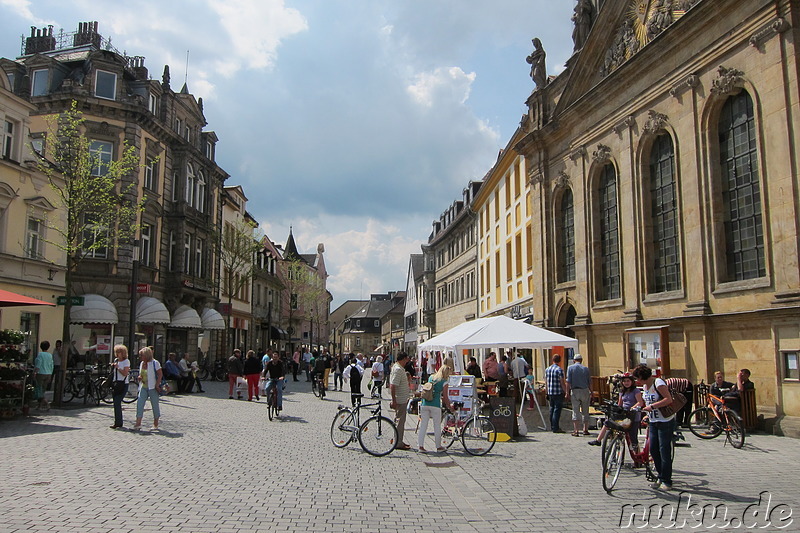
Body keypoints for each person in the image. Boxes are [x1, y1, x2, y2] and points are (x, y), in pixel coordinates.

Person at [633, 363, 675, 490]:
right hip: (653, 421)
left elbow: (669, 399)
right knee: (653, 449)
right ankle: (660, 476)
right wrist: (646, 413)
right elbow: (647, 401)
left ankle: (667, 480)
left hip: (665, 421)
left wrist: (652, 407)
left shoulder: (658, 383)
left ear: (643, 376)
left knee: (664, 450)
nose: (637, 381)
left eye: (638, 378)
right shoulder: (645, 386)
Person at [588, 373, 643, 446]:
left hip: (633, 416)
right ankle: (598, 440)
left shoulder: (636, 391)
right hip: (624, 414)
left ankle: (636, 452)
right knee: (608, 422)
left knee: (633, 438)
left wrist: (632, 408)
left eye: (628, 381)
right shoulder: (622, 391)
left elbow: (640, 402)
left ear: (632, 382)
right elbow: (620, 404)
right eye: (624, 381)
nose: (626, 383)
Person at [418, 358, 454, 453]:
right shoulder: (444, 382)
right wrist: (450, 406)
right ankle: (438, 447)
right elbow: (445, 397)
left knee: (423, 426)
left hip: (425, 403)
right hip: (435, 405)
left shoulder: (431, 377)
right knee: (437, 426)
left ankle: (420, 446)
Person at [134, 347, 162, 431]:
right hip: (143, 386)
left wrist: (157, 384)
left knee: (154, 405)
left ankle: (155, 423)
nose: (140, 357)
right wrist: (139, 377)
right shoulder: (142, 363)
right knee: (140, 403)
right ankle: (138, 423)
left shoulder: (155, 363)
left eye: (141, 355)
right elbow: (141, 374)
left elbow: (160, 374)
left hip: (152, 387)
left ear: (146, 355)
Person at [389, 352, 413, 450]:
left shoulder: (398, 367)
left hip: (401, 398)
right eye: (406, 359)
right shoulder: (398, 369)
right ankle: (398, 442)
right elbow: (393, 385)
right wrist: (394, 400)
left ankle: (398, 440)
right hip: (400, 399)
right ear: (402, 359)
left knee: (399, 421)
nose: (407, 361)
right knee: (400, 421)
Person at [566, 354, 592, 436]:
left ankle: (576, 430)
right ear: (581, 360)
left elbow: (568, 382)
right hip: (585, 390)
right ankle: (585, 429)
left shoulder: (570, 368)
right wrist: (592, 392)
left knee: (575, 410)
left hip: (575, 390)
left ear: (574, 360)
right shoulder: (586, 369)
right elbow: (590, 382)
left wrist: (567, 392)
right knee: (585, 410)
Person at [109, 344, 131, 429]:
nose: (118, 354)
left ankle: (118, 422)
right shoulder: (116, 360)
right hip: (116, 383)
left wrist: (118, 368)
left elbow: (125, 373)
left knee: (117, 402)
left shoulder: (126, 361)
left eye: (119, 352)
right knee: (115, 403)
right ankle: (117, 422)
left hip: (123, 384)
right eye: (116, 352)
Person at [545, 354, 567, 433]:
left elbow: (546, 382)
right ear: (560, 360)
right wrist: (566, 391)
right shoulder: (559, 370)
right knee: (557, 410)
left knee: (551, 409)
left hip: (550, 392)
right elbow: (562, 382)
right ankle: (556, 427)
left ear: (552, 360)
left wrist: (546, 392)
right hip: (558, 392)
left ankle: (552, 426)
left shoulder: (547, 369)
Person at [34, 341, 54, 410]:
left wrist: (35, 372)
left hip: (41, 373)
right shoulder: (50, 355)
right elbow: (51, 365)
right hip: (48, 373)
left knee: (39, 390)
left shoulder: (40, 354)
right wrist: (51, 373)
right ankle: (39, 406)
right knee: (43, 390)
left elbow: (38, 364)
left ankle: (46, 403)